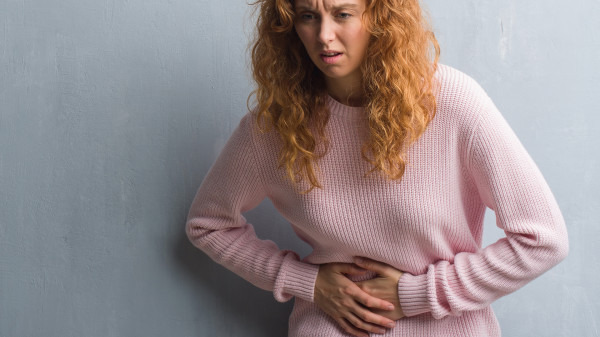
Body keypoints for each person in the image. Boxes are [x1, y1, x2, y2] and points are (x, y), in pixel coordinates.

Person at [185, 0, 569, 336]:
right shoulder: (274, 127)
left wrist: (418, 294)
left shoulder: (452, 103)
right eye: (307, 16)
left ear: (380, 15)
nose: (324, 35)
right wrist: (309, 283)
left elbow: (543, 239)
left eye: (343, 13)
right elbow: (208, 224)